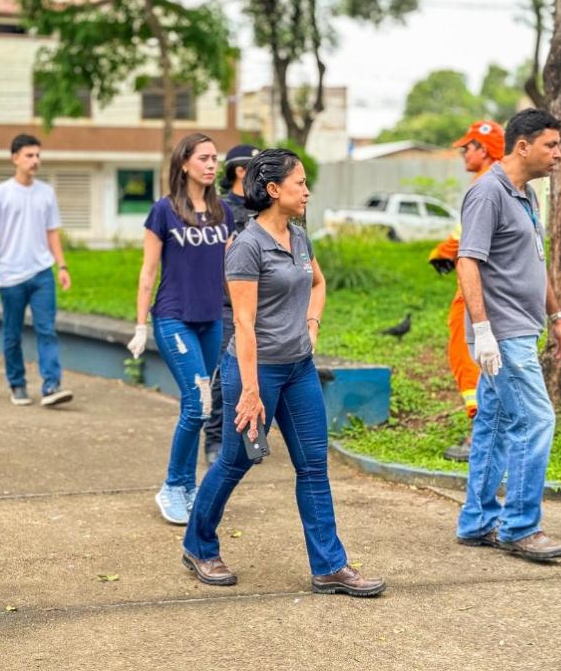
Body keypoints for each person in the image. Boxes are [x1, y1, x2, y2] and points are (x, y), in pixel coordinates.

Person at [182, 148, 386, 597]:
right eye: (300, 183)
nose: (307, 191)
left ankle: (330, 566)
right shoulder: (246, 246)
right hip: (254, 371)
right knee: (236, 461)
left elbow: (318, 283)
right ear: (274, 190)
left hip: (298, 368)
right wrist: (250, 392)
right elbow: (243, 323)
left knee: (313, 465)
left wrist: (311, 324)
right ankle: (198, 544)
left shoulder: (299, 238)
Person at [455, 108, 561, 561]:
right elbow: (469, 261)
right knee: (535, 420)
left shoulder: (526, 195)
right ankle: (521, 527)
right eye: (551, 145)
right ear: (522, 146)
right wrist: (483, 331)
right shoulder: (488, 192)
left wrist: (557, 315)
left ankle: (478, 520)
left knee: (497, 421)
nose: (558, 153)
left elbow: (535, 261)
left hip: (522, 327)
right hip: (502, 335)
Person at [127, 133, 233, 525]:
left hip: (211, 321)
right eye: (203, 158)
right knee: (197, 402)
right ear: (184, 163)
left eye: (214, 158)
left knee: (202, 407)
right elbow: (148, 271)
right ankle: (172, 486)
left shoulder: (223, 213)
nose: (211, 165)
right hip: (173, 317)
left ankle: (188, 488)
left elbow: (230, 273)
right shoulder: (164, 211)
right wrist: (140, 324)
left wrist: (244, 316)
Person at [428, 121, 504, 462]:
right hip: (501, 292)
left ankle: (478, 437)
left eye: (467, 147)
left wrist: (441, 253)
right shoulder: (506, 183)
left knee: (466, 358)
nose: (463, 153)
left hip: (473, 291)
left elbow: (464, 239)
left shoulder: (483, 187)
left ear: (483, 149)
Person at [0, 133, 73, 408]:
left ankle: (51, 384)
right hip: (10, 275)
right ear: (15, 158)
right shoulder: (0, 194)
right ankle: (17, 384)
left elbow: (52, 232)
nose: (35, 161)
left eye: (37, 155)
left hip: (42, 272)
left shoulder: (46, 192)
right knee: (12, 334)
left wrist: (62, 266)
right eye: (29, 156)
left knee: (47, 330)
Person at [203, 144, 258, 465]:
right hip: (226, 305)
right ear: (240, 171)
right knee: (225, 375)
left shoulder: (266, 209)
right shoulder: (220, 211)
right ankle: (214, 441)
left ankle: (252, 437)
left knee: (258, 375)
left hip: (264, 305)